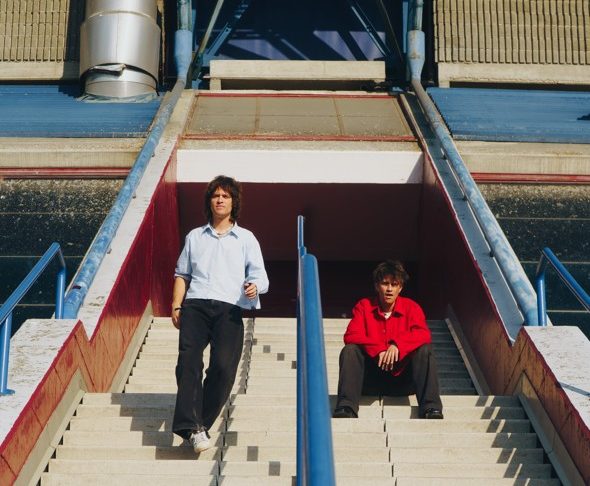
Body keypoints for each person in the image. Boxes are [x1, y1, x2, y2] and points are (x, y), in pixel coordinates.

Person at [171, 175, 269, 453]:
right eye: (216, 195)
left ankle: (198, 424)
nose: (220, 200)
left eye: (226, 196)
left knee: (224, 368)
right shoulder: (195, 236)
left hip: (229, 308)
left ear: (234, 202)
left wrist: (255, 286)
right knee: (188, 362)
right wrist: (176, 305)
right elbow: (182, 274)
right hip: (196, 305)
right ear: (209, 201)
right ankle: (192, 426)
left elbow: (260, 276)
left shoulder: (246, 238)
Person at [333, 260, 443, 420]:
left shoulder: (412, 307)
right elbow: (351, 335)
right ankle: (346, 407)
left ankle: (431, 408)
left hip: (402, 380)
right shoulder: (364, 306)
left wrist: (397, 345)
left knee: (425, 350)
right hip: (369, 379)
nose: (389, 289)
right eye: (385, 283)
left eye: (394, 284)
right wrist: (378, 349)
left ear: (400, 288)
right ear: (377, 286)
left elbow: (423, 334)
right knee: (350, 350)